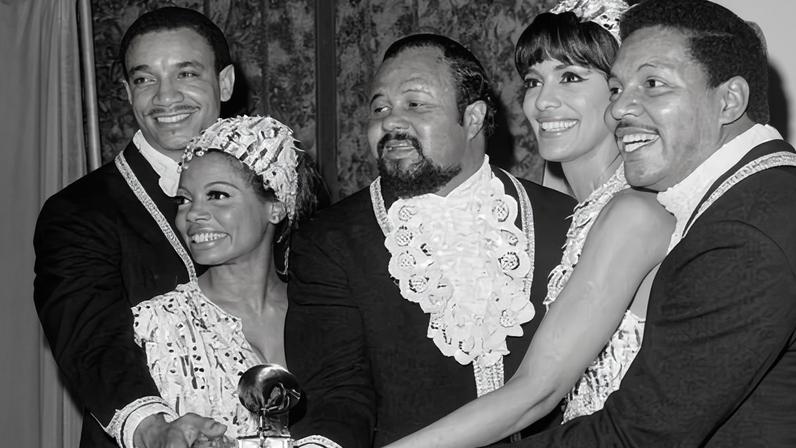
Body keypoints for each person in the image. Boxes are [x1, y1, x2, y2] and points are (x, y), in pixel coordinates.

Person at [384, 1, 675, 446]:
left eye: (570, 77)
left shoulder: (634, 214)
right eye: (534, 81)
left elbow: (537, 391)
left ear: (619, 92)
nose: (542, 101)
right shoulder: (569, 207)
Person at [505, 0, 796, 446]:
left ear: (729, 101)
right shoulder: (755, 195)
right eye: (617, 88)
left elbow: (637, 435)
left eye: (654, 84)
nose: (619, 109)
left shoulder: (743, 233)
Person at [284, 33, 577, 448]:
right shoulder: (329, 241)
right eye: (380, 108)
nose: (390, 122)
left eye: (415, 104)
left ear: (472, 119)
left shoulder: (564, 221)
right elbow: (336, 395)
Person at [34, 7, 236, 448]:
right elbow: (91, 341)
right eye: (145, 79)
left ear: (225, 83)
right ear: (127, 92)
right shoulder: (79, 211)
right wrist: (153, 430)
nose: (166, 97)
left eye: (186, 74)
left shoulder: (273, 189)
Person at [132, 115, 330, 447]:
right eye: (183, 200)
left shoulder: (327, 312)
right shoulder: (156, 325)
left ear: (276, 207)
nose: (193, 214)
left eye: (217, 195)